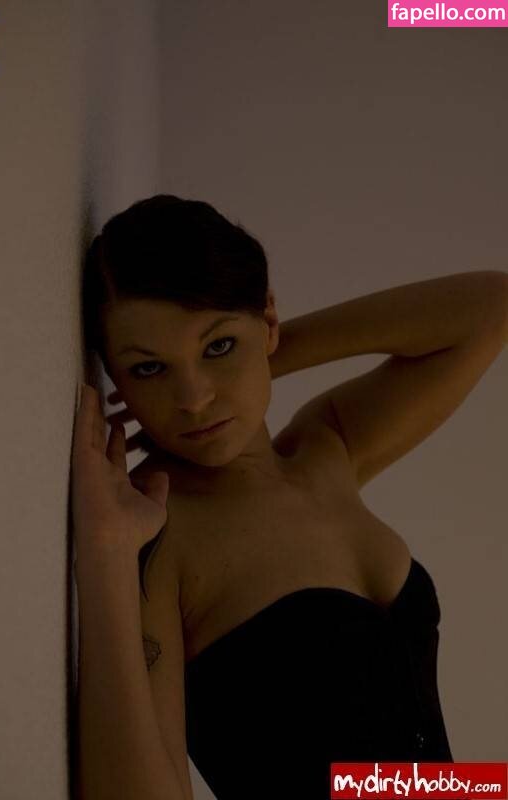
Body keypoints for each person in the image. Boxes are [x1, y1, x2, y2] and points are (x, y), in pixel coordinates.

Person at [72, 193, 508, 800]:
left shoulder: (327, 451)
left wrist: (485, 787)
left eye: (218, 347)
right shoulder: (157, 535)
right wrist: (103, 553)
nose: (194, 399)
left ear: (269, 321)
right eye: (149, 369)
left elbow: (491, 306)